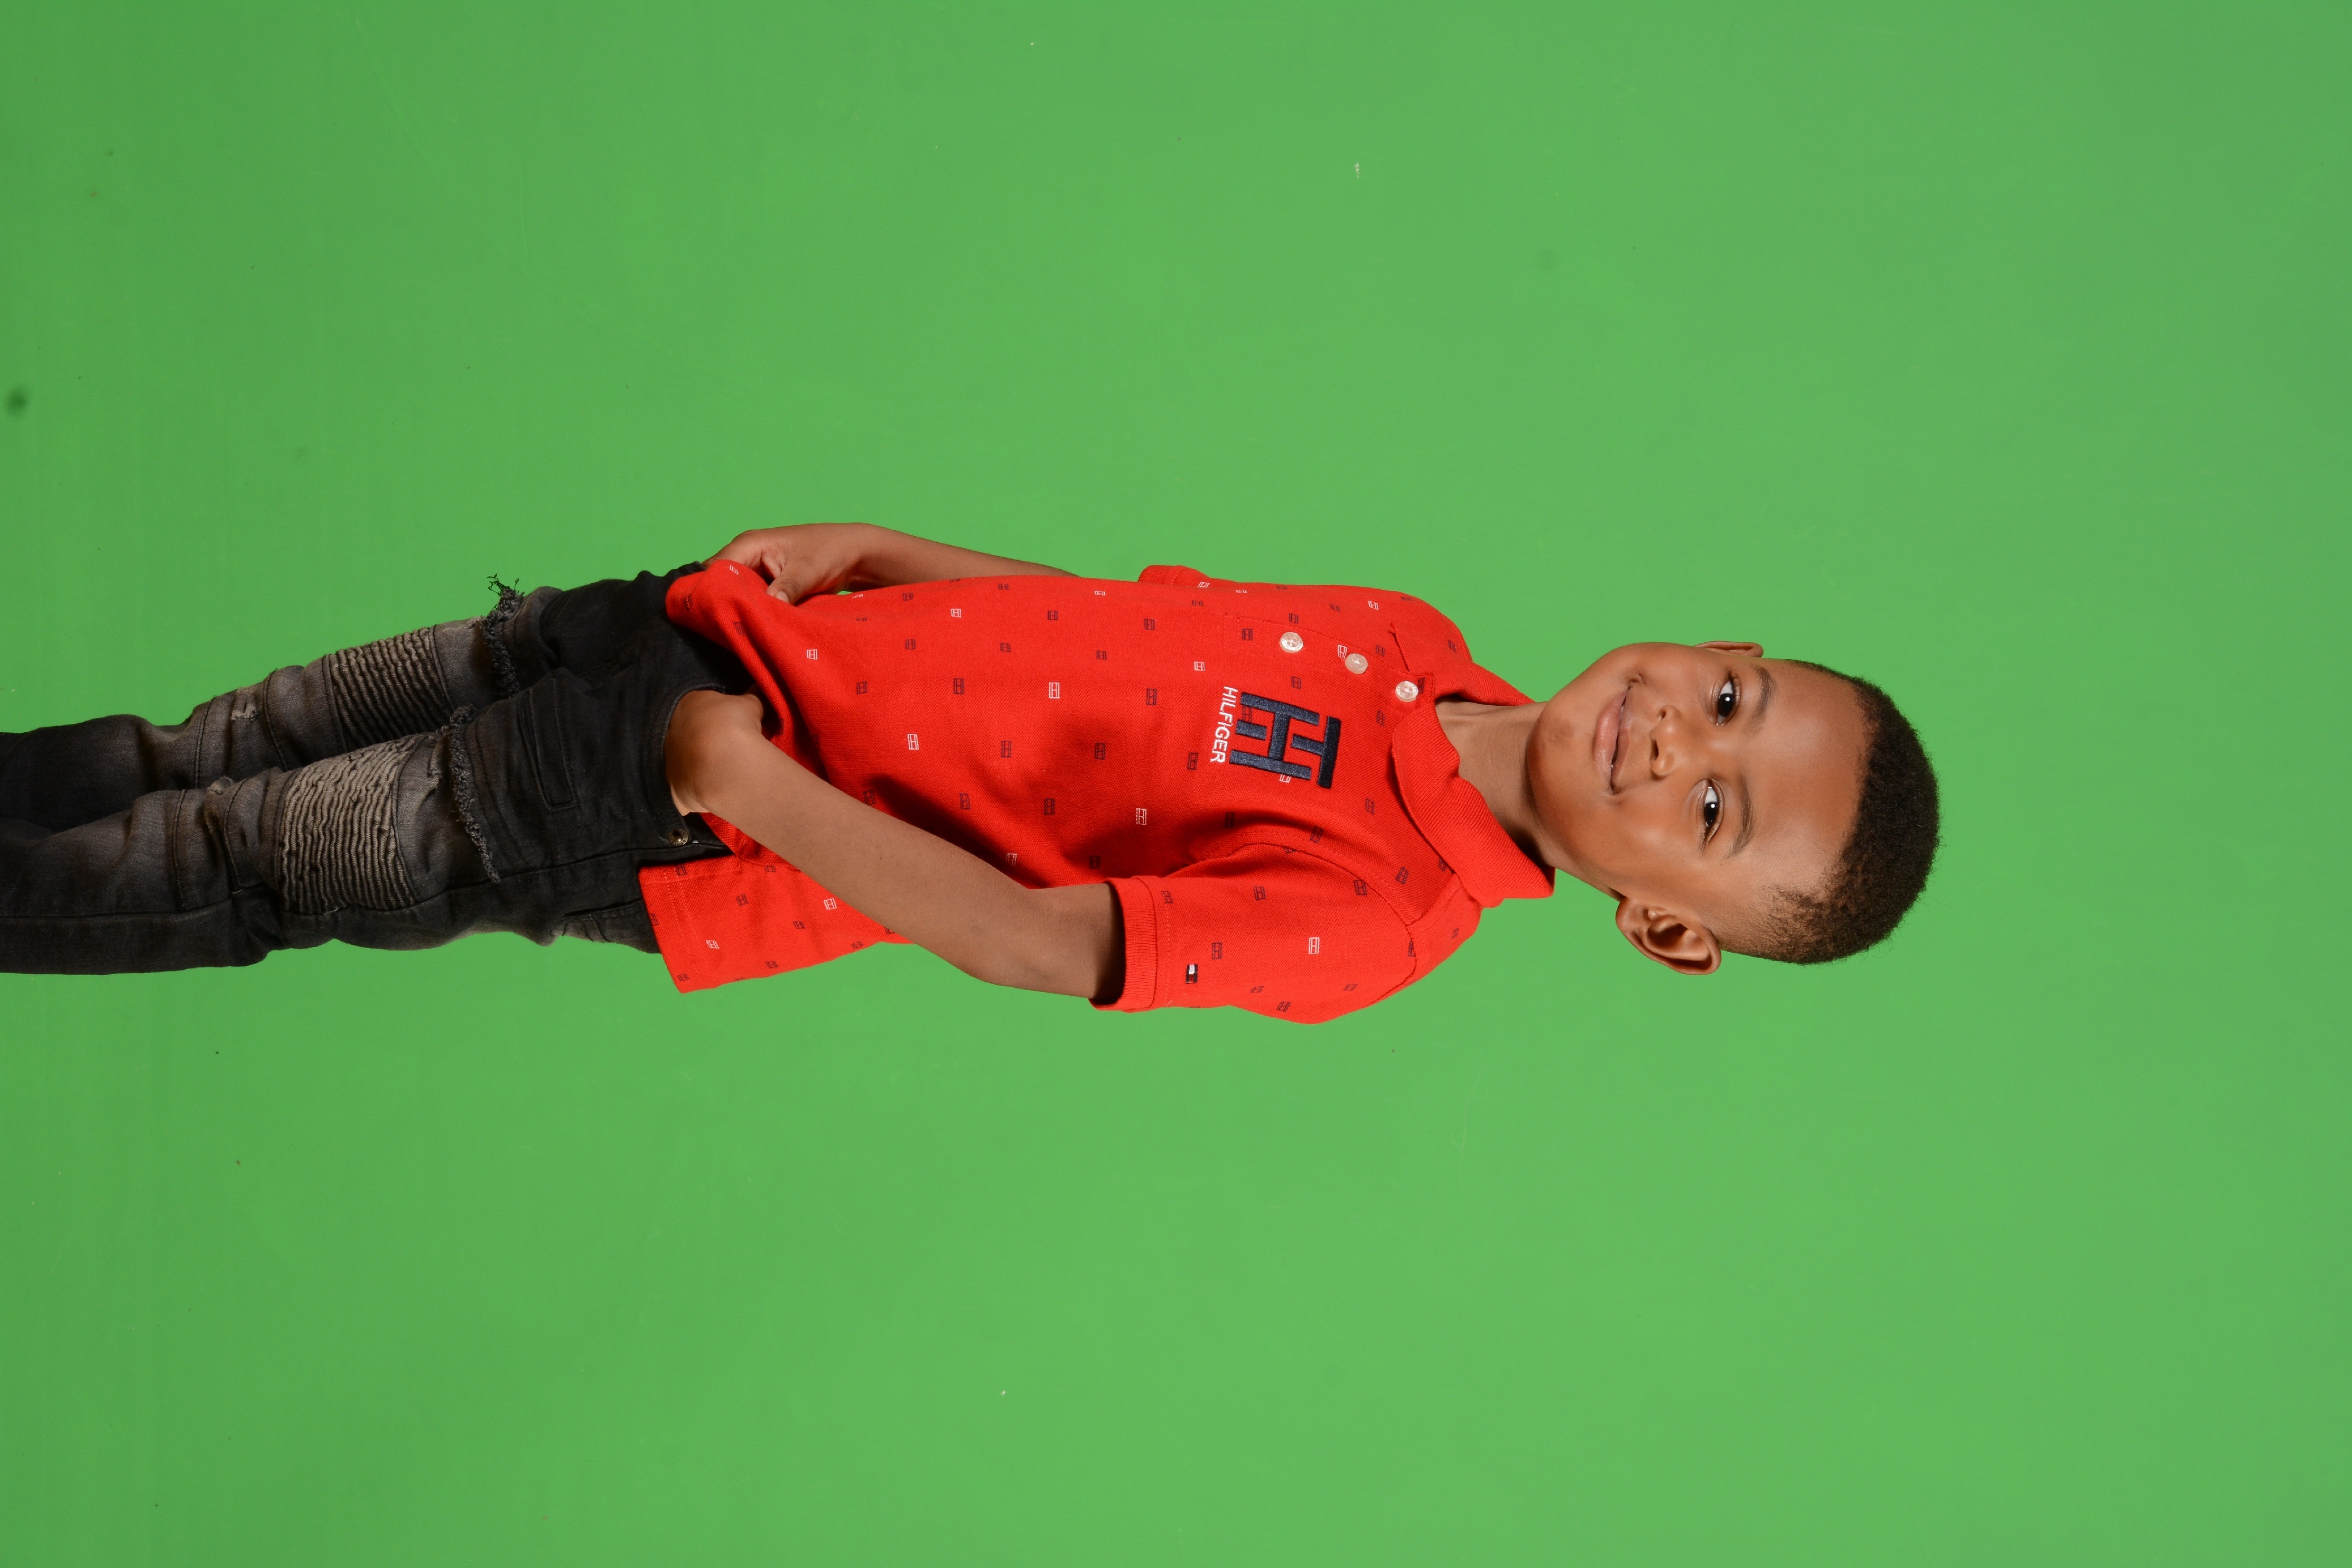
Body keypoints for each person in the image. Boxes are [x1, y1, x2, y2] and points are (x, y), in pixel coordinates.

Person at [0, 523, 1939, 1022]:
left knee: (240, 851)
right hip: (715, 638)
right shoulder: (1406, 635)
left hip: (694, 799)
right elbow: (1113, 622)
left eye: (1712, 810)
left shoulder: (1380, 913)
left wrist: (733, 782)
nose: (1676, 737)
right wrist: (889, 554)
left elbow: (1035, 940)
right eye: (1733, 695)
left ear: (1665, 926)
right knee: (235, 736)